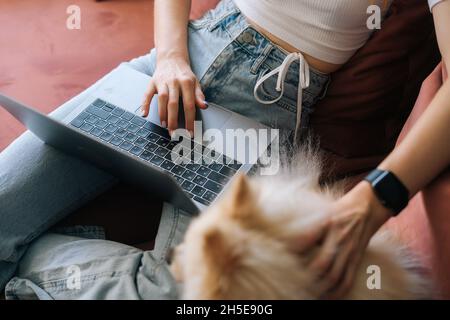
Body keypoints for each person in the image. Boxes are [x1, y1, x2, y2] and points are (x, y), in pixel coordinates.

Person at [0, 0, 448, 299]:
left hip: (263, 104)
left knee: (190, 295)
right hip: (175, 67)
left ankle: (28, 261)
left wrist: (376, 198)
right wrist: (171, 57)